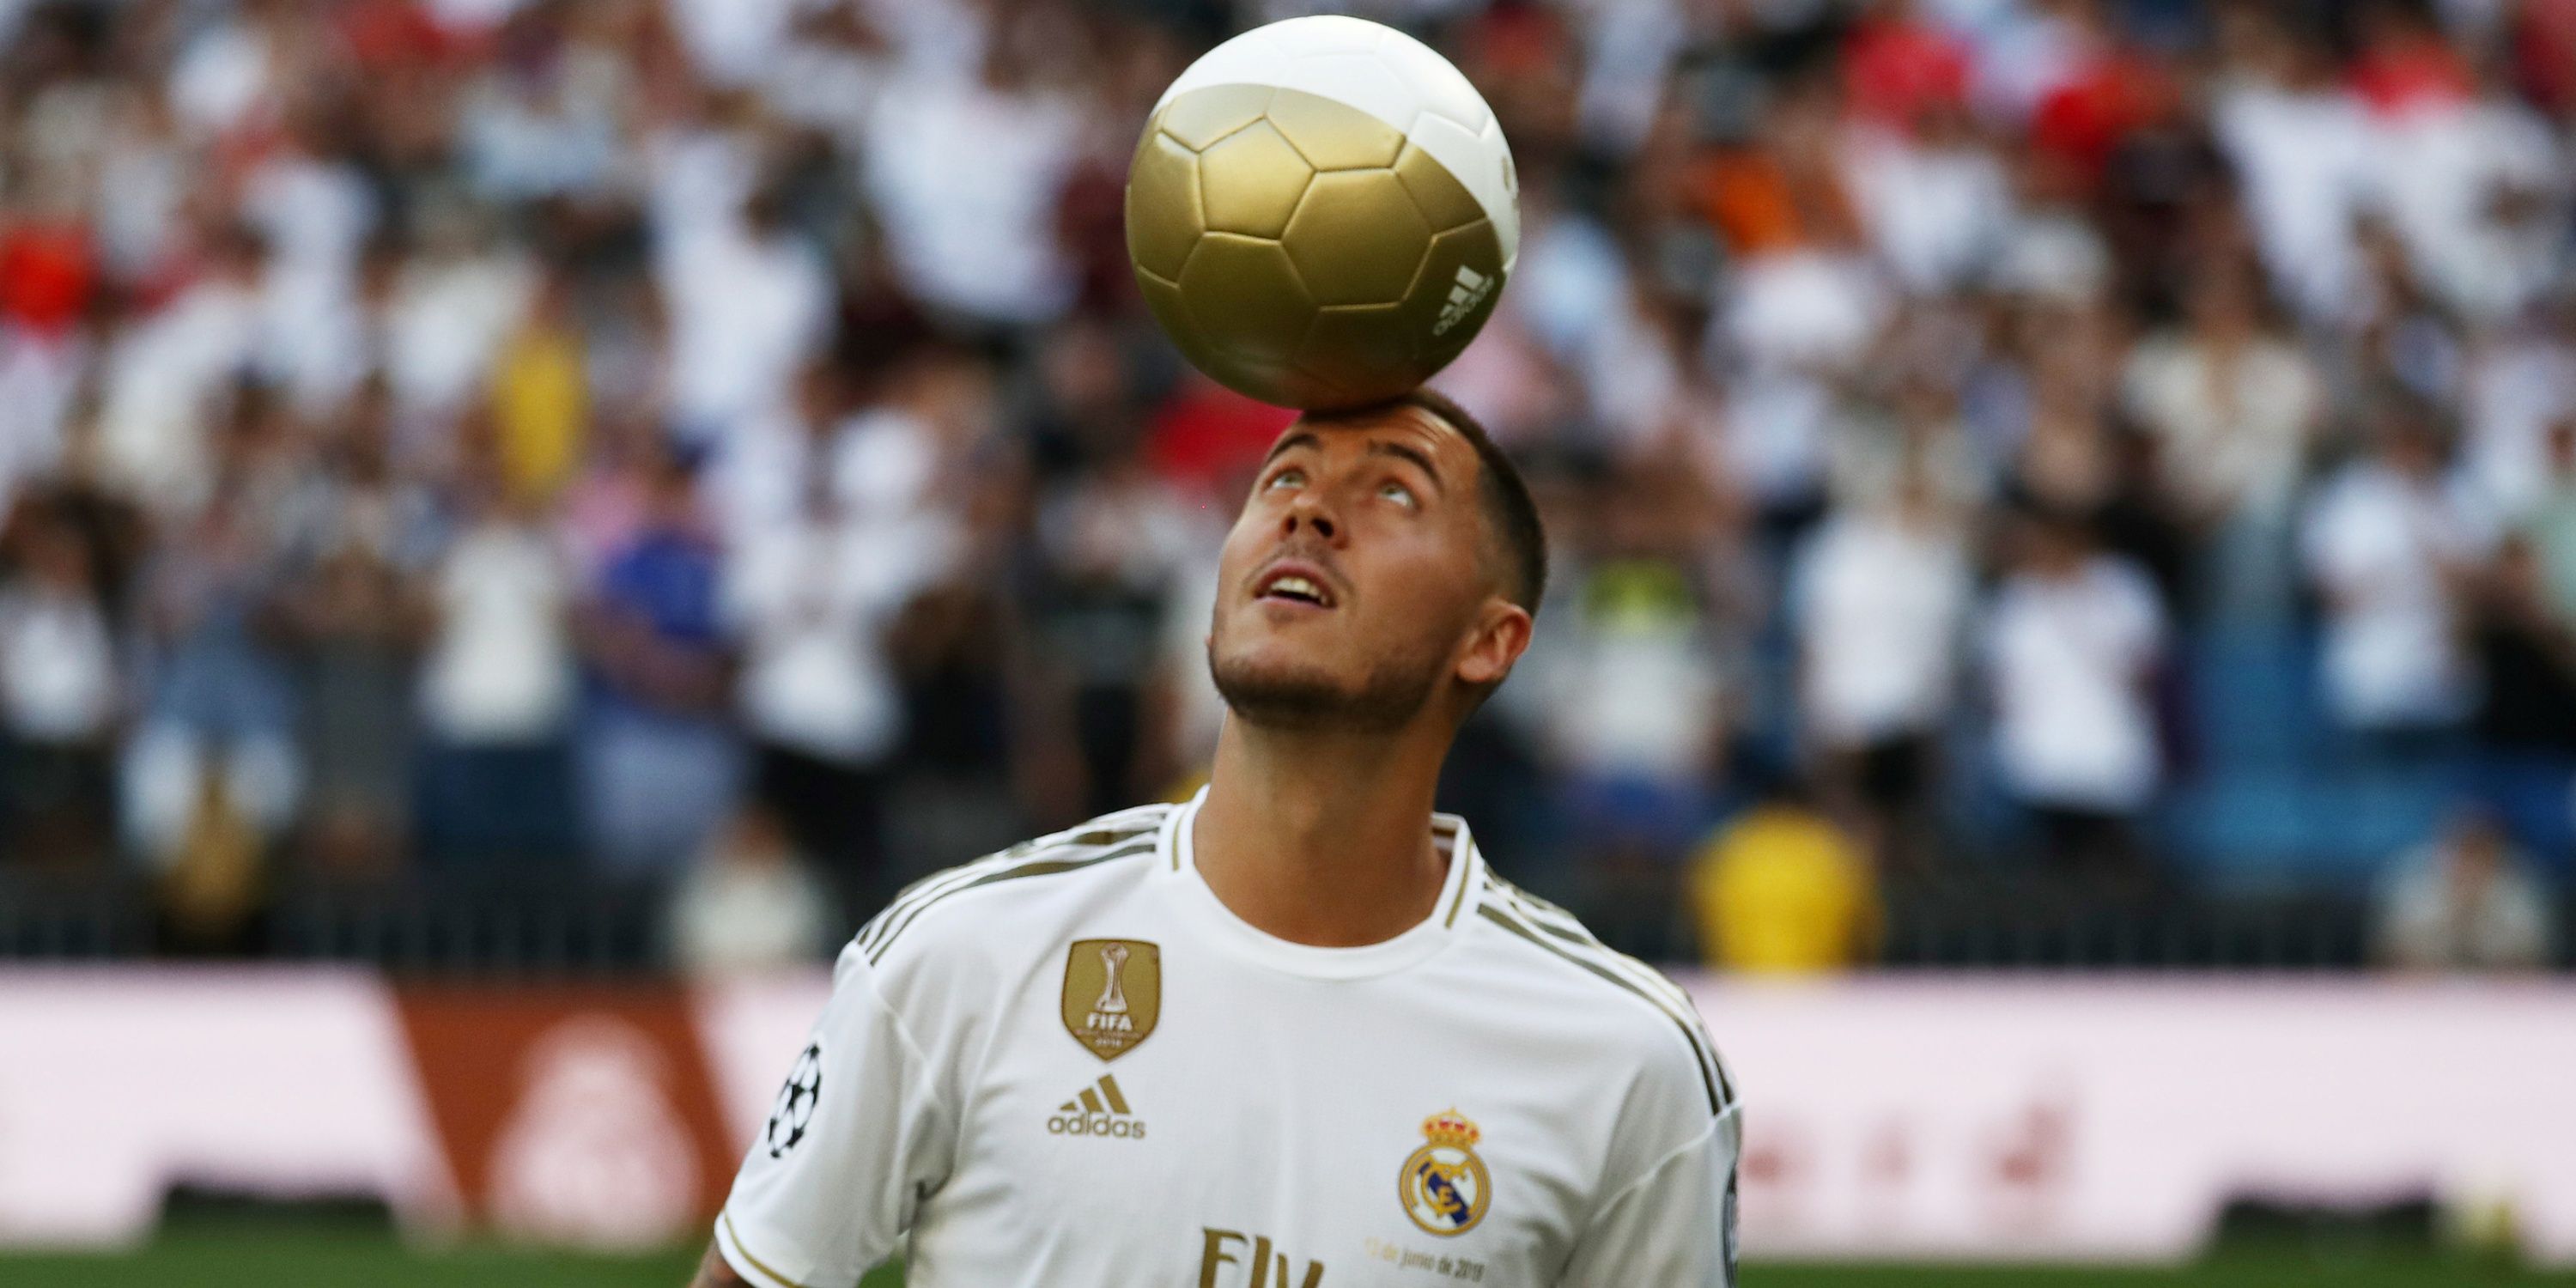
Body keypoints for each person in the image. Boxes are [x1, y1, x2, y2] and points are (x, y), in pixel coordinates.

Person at [689, 391, 1741, 1288]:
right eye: (1280, 479)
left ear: (1489, 640)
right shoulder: (956, 955)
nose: (1309, 514)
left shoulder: (1628, 1062)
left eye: (1391, 492)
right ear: (1216, 599)